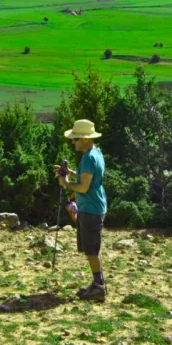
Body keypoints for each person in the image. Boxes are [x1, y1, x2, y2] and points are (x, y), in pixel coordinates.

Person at [54, 119, 107, 302]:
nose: (73, 142)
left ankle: (98, 287)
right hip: (95, 206)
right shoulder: (96, 154)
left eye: (75, 139)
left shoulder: (88, 157)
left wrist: (65, 183)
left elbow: (83, 188)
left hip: (90, 209)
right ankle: (98, 282)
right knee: (93, 247)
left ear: (85, 139)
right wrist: (70, 173)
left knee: (91, 250)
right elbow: (88, 178)